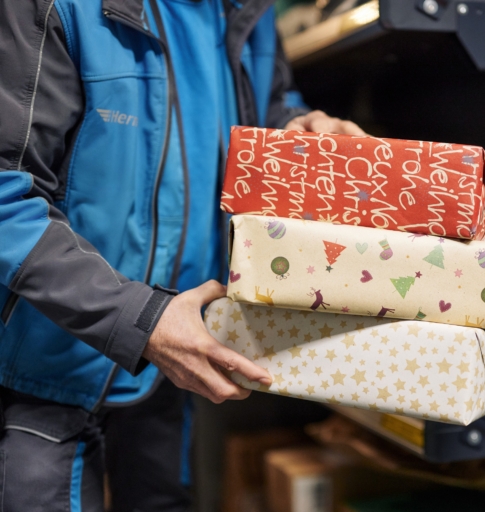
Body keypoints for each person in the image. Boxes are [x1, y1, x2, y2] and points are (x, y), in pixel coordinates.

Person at [0, 0, 363, 510]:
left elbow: (265, 103)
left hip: (174, 365)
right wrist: (141, 321)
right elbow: (5, 198)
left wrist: (299, 128)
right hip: (46, 374)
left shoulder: (247, 12)